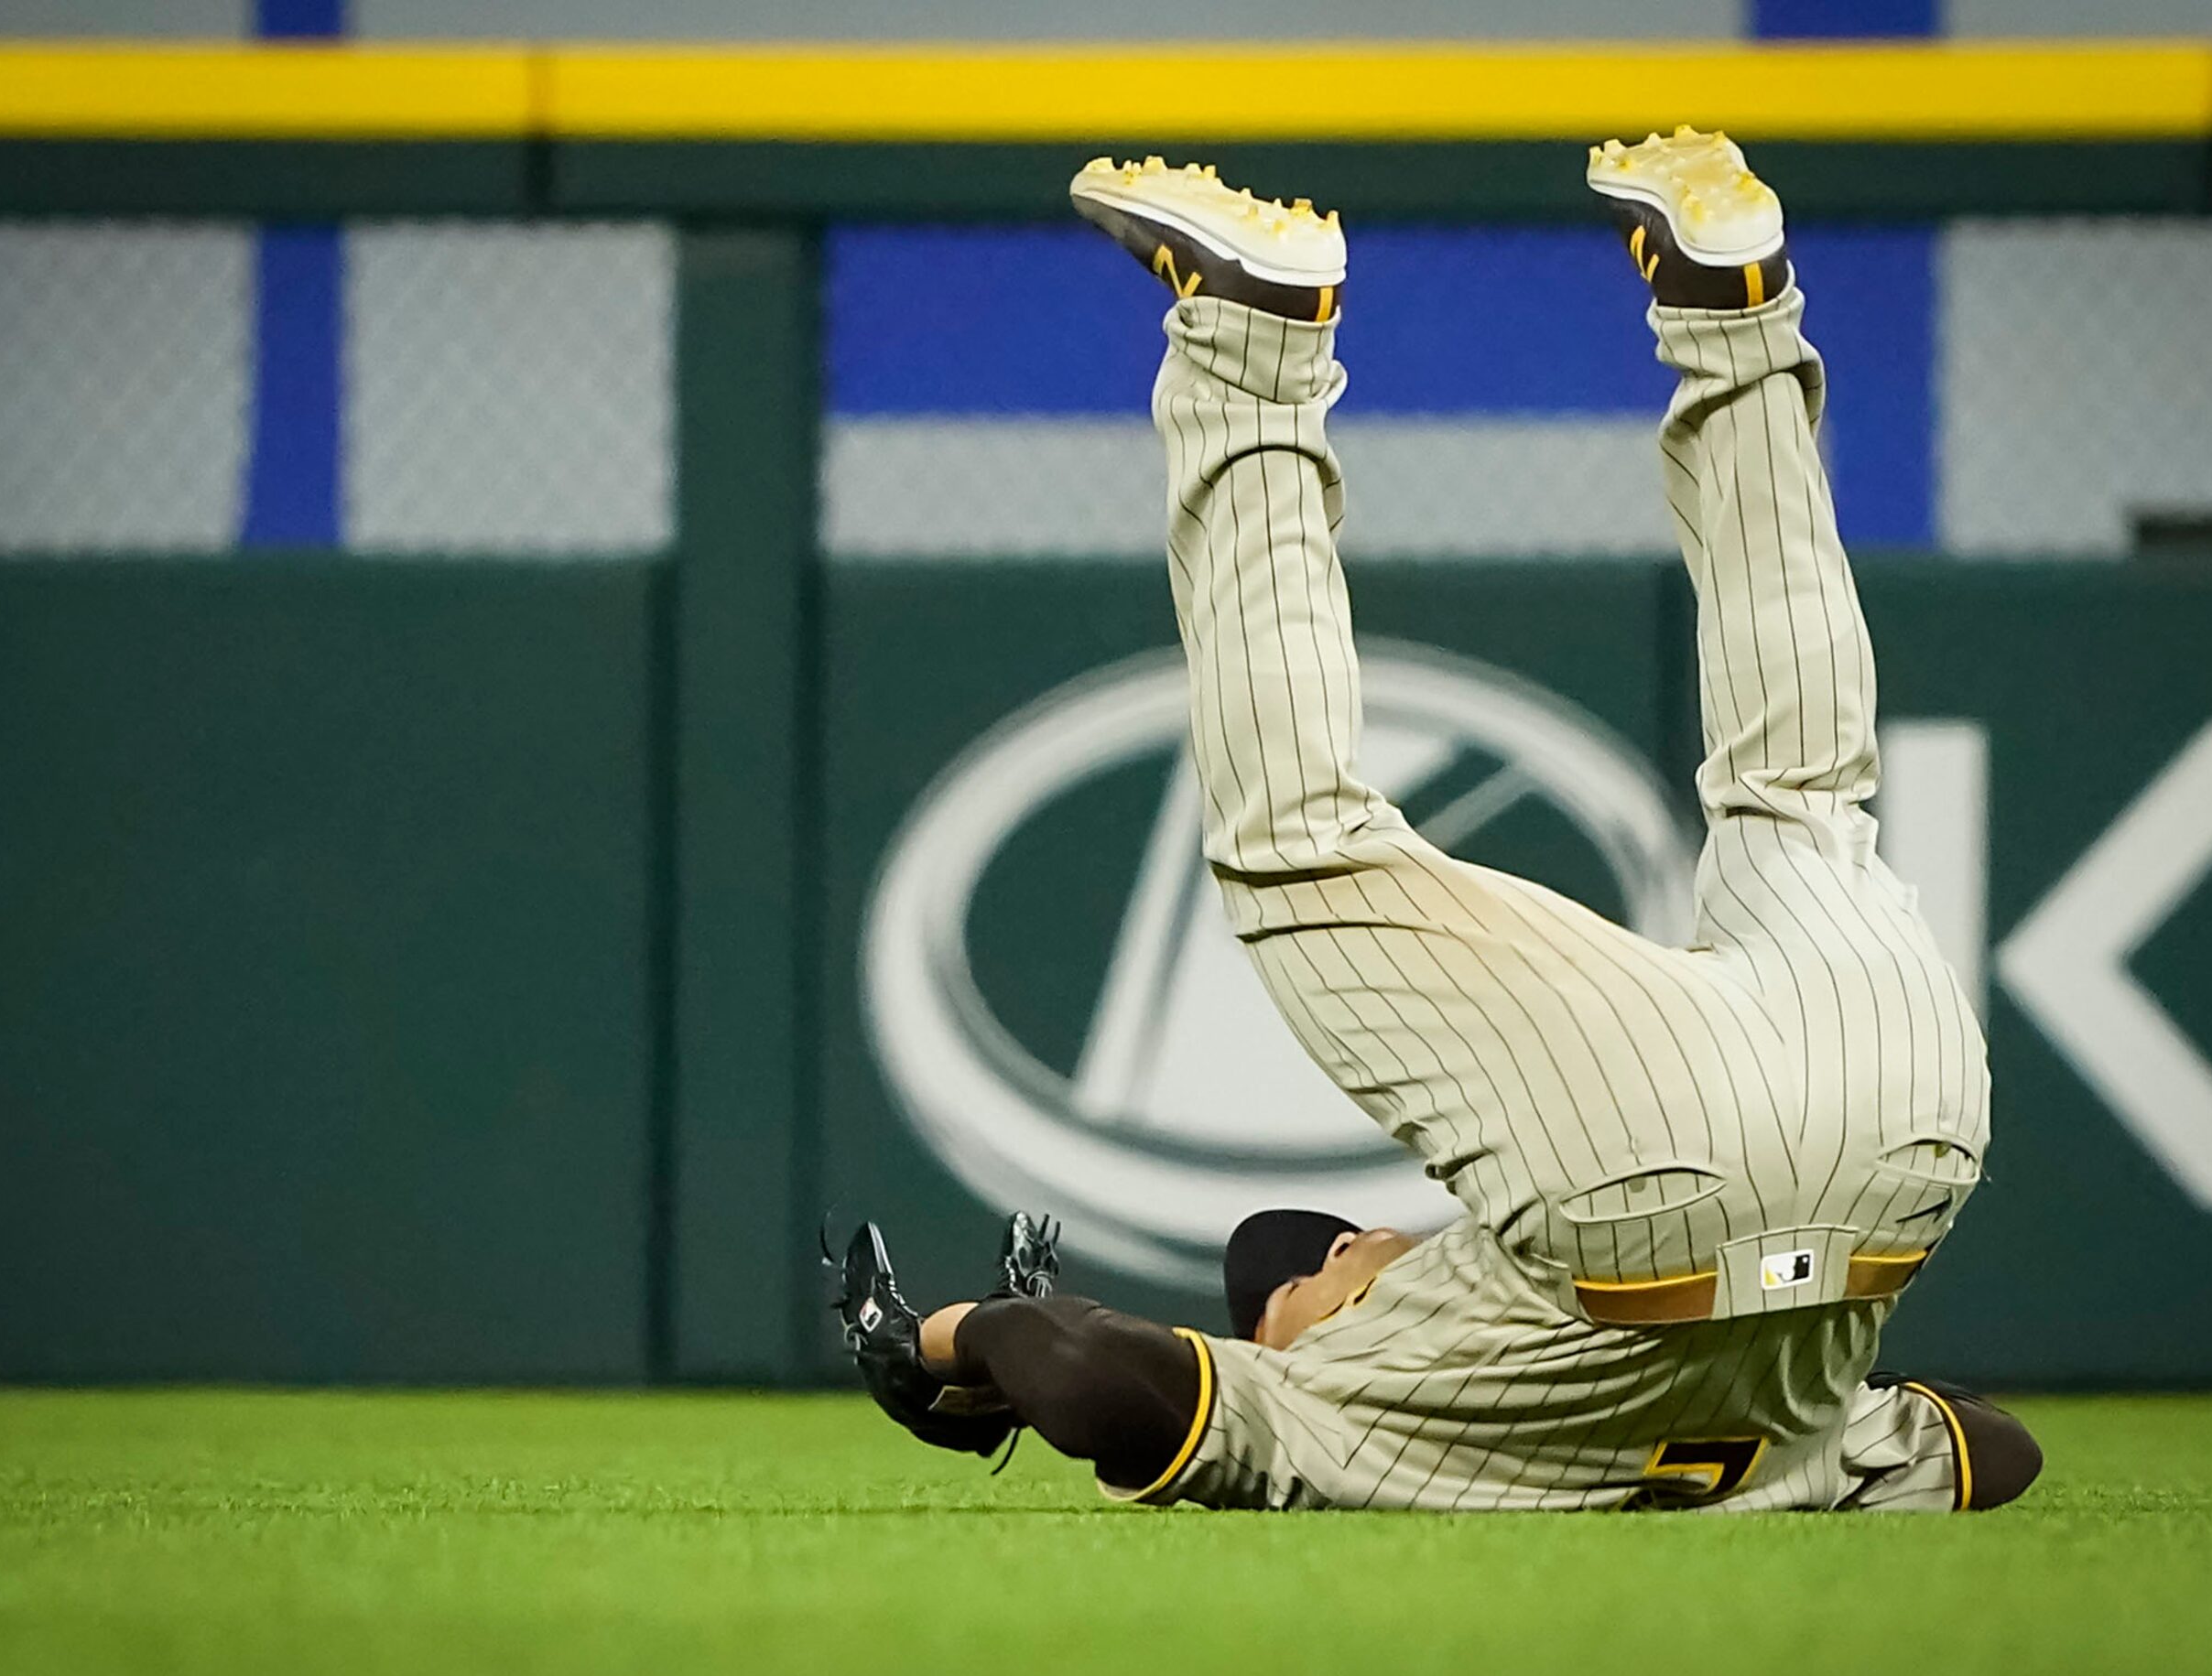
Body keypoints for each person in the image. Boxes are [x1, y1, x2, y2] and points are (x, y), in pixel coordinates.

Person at [832, 132, 2040, 1513]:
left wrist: (1789, 1415)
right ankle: (1256, 345)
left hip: (1902, 1154)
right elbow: (1103, 1377)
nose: (1334, 1252)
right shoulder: (1326, 1402)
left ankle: (1727, 308)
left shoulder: (1636, 1442)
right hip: (1671, 1169)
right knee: (1321, 841)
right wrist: (936, 1341)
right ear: (1298, 1335)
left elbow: (1984, 1450)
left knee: (1800, 796)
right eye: (1291, 1279)